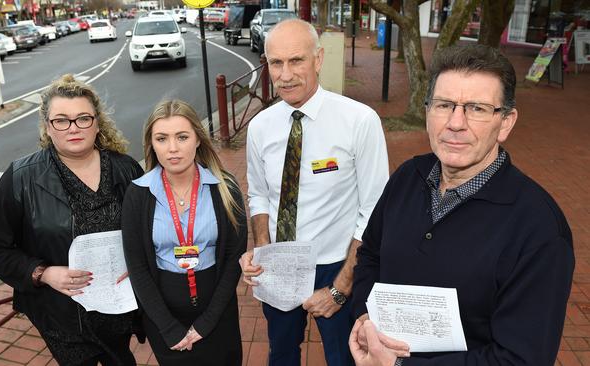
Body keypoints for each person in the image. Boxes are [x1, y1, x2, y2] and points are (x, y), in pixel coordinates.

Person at [350, 44, 575, 365]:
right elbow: (371, 254)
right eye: (444, 105)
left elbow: (521, 359)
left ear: (506, 122)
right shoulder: (407, 177)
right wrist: (363, 318)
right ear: (427, 111)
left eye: (477, 108)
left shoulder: (539, 229)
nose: (455, 123)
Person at [240, 19, 389, 366]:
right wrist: (262, 249)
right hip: (280, 264)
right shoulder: (260, 126)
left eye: (297, 61)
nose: (286, 74)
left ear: (318, 59)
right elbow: (259, 195)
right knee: (282, 354)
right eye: (276, 63)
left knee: (345, 358)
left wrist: (341, 287)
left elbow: (375, 210)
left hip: (335, 265)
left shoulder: (359, 121)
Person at [0, 74, 144, 365]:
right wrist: (42, 273)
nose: (73, 128)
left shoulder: (125, 169)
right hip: (60, 313)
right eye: (61, 120)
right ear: (47, 126)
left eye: (83, 118)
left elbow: (149, 231)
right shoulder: (21, 177)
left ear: (97, 122)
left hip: (119, 307)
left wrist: (138, 264)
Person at [121, 100, 247, 366]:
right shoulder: (138, 194)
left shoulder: (225, 188)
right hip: (164, 317)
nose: (173, 148)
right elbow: (138, 267)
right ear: (151, 144)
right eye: (162, 138)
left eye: (182, 137)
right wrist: (167, 327)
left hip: (218, 312)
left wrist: (207, 322)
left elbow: (233, 257)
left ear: (198, 140)